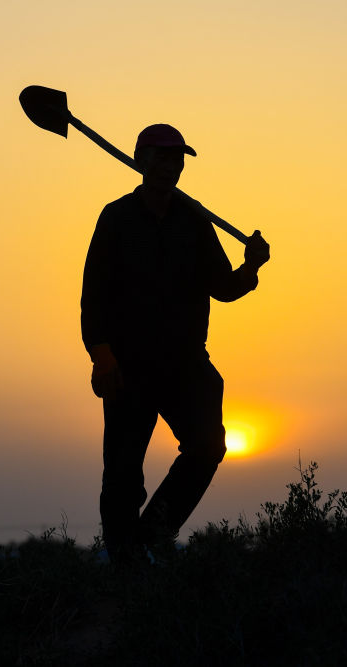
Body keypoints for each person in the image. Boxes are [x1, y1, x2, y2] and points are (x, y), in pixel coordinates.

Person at [81, 123, 270, 564]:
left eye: (177, 159)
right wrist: (101, 352)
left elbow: (222, 287)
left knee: (207, 446)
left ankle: (152, 533)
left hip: (185, 363)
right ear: (140, 161)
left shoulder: (195, 221)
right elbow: (94, 295)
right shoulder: (116, 218)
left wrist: (251, 267)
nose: (170, 166)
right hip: (129, 367)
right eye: (162, 157)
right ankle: (125, 562)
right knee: (124, 472)